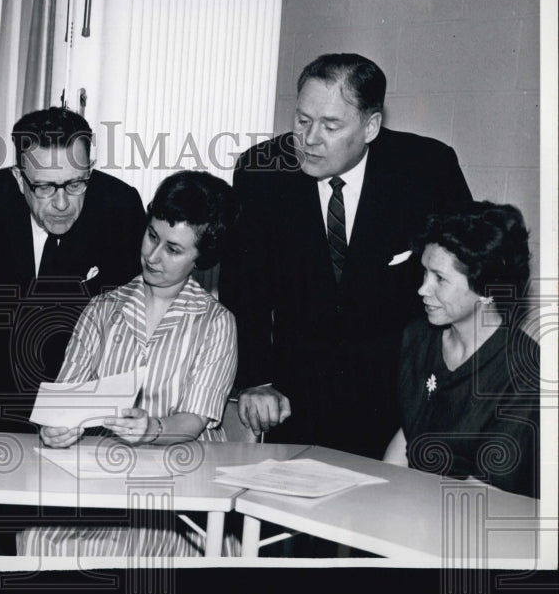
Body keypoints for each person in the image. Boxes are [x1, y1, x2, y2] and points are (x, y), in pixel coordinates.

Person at [219, 53, 472, 459]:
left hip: (398, 396)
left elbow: (467, 276)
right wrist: (256, 380)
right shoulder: (261, 173)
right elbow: (243, 289)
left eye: (331, 125)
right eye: (302, 120)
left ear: (371, 126)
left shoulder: (427, 169)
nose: (309, 138)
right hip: (295, 395)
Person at [24, 170, 240, 556]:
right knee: (38, 538)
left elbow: (194, 421)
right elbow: (65, 402)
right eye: (152, 236)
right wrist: (56, 428)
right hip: (105, 480)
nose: (153, 257)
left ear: (201, 258)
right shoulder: (102, 308)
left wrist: (152, 428)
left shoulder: (216, 322)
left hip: (184, 491)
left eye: (173, 249)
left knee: (142, 556)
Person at [0, 107, 146, 435]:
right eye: (44, 187)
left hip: (89, 408)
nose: (61, 204)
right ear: (20, 179)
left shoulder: (119, 207)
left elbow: (134, 317)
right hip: (0, 403)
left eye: (75, 184)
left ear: (90, 169)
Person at [384, 202, 538, 499]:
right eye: (424, 273)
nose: (423, 289)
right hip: (416, 505)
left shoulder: (523, 370)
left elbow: (486, 491)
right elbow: (409, 436)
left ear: (487, 288)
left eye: (440, 279)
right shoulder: (418, 337)